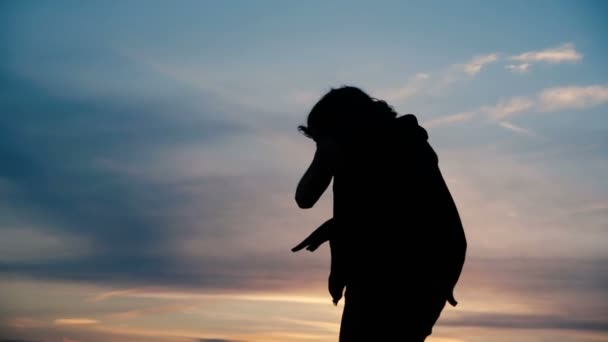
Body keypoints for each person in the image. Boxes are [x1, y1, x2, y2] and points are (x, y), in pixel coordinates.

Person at [292, 86, 467, 342]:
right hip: (384, 278)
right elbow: (310, 201)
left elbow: (413, 219)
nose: (320, 148)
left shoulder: (404, 146)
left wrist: (340, 226)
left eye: (321, 139)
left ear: (343, 127)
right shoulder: (362, 153)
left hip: (405, 280)